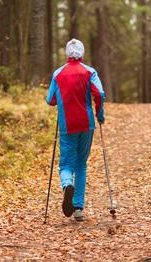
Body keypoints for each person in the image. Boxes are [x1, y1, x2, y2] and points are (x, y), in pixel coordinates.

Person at [46, 38, 105, 221]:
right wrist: (100, 114)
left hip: (67, 125)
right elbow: (99, 93)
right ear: (82, 53)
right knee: (81, 164)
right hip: (87, 124)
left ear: (66, 54)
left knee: (65, 164)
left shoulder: (58, 74)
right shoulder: (90, 72)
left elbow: (50, 100)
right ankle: (78, 208)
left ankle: (66, 186)